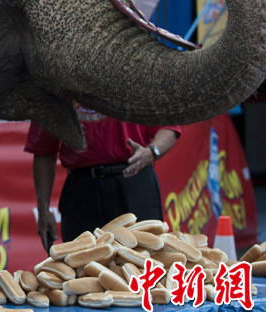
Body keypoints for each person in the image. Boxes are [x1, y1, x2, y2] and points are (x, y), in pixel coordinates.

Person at [26, 103, 180, 252]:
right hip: (81, 190)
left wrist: (152, 152)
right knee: (81, 263)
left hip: (133, 180)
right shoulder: (56, 89)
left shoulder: (142, 84)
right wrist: (43, 210)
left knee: (144, 257)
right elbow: (43, 150)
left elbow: (168, 126)